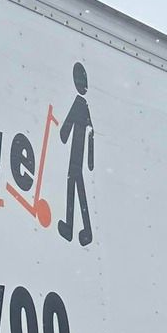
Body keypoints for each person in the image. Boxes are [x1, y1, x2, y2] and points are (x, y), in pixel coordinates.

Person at [56, 62, 94, 245]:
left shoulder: (78, 105)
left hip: (74, 160)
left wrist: (62, 132)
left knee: (75, 189)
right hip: (77, 160)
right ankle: (83, 230)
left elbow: (64, 131)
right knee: (78, 190)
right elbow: (90, 132)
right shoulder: (85, 106)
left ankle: (73, 228)